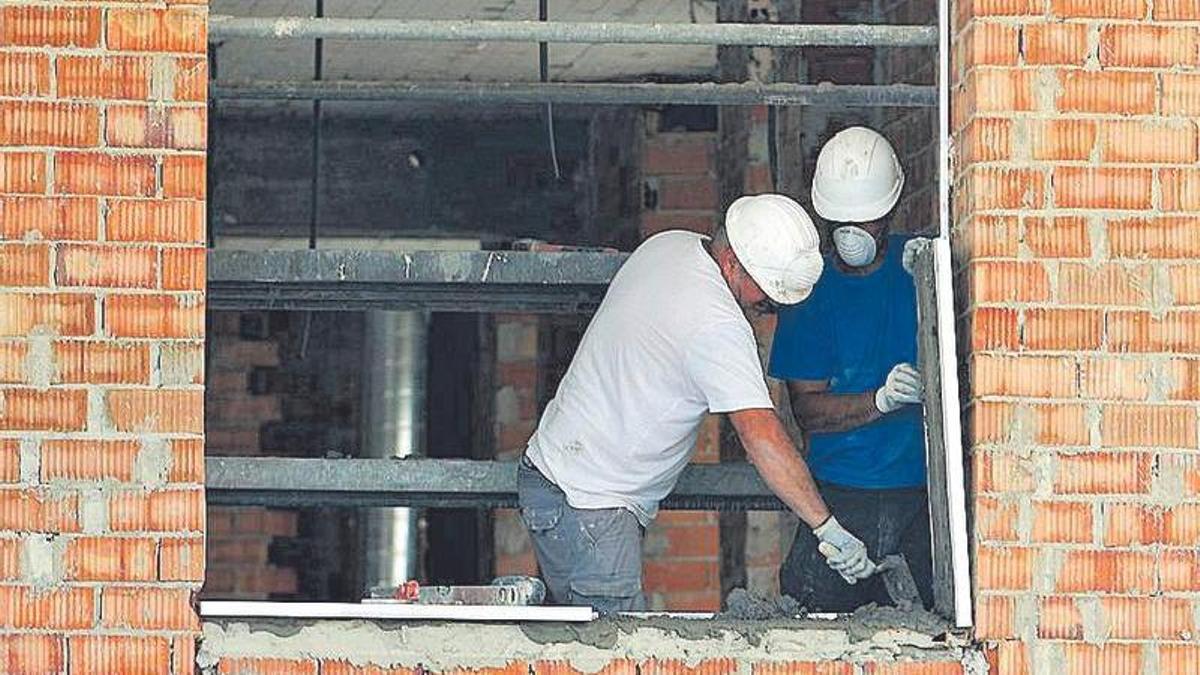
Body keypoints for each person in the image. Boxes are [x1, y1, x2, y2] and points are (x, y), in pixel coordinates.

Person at [518, 194, 875, 613]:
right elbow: (761, 435)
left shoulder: (672, 244)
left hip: (559, 479)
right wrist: (826, 526)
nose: (771, 308)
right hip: (591, 504)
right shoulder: (717, 324)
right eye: (768, 294)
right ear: (733, 263)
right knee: (612, 654)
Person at [769, 126, 933, 612]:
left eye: (866, 220)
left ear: (890, 210)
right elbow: (807, 411)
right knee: (813, 631)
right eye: (840, 221)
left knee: (932, 635)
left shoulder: (919, 267)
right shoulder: (811, 290)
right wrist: (879, 401)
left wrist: (935, 274)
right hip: (841, 497)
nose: (852, 234)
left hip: (921, 497)